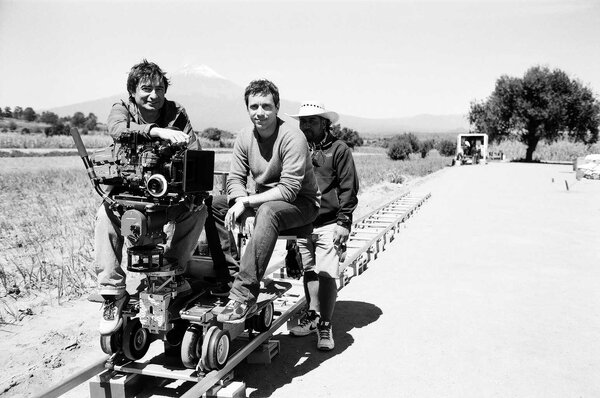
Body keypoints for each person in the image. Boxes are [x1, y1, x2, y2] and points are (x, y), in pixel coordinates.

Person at [96, 59, 207, 335]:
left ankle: (172, 270)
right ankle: (112, 293)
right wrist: (155, 131)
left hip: (164, 194)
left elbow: (194, 149)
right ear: (133, 90)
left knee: (198, 209)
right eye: (146, 88)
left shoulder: (176, 113)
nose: (154, 95)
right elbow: (117, 130)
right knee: (104, 217)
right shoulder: (121, 109)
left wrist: (194, 186)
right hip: (127, 194)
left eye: (159, 89)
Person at [209, 79, 321, 324]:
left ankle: (244, 295)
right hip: (262, 203)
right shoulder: (244, 137)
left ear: (277, 107)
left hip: (301, 205)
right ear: (247, 108)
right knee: (213, 204)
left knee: (268, 211)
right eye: (254, 106)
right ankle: (229, 276)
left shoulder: (293, 137)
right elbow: (235, 179)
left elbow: (289, 190)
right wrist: (243, 204)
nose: (260, 113)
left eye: (266, 106)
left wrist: (249, 204)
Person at [285, 101, 359, 351]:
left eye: (312, 121)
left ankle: (325, 325)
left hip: (330, 223)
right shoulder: (296, 148)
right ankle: (313, 316)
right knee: (309, 271)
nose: (305, 126)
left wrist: (344, 221)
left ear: (325, 123)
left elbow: (349, 187)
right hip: (303, 222)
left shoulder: (339, 149)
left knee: (327, 274)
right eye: (302, 121)